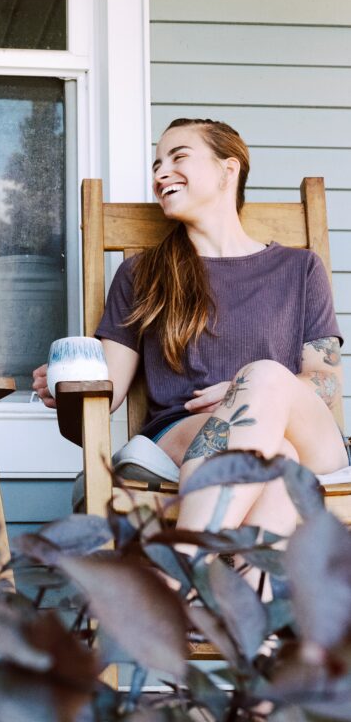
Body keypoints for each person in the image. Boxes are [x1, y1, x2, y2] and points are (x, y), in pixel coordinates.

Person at [34, 118, 349, 545]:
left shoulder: (300, 269)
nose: (161, 173)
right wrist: (68, 391)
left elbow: (325, 382)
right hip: (187, 432)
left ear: (228, 169)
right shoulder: (142, 274)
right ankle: (220, 600)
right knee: (279, 462)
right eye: (156, 165)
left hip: (311, 437)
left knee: (267, 378)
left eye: (178, 157)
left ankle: (181, 564)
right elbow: (106, 394)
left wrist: (250, 389)